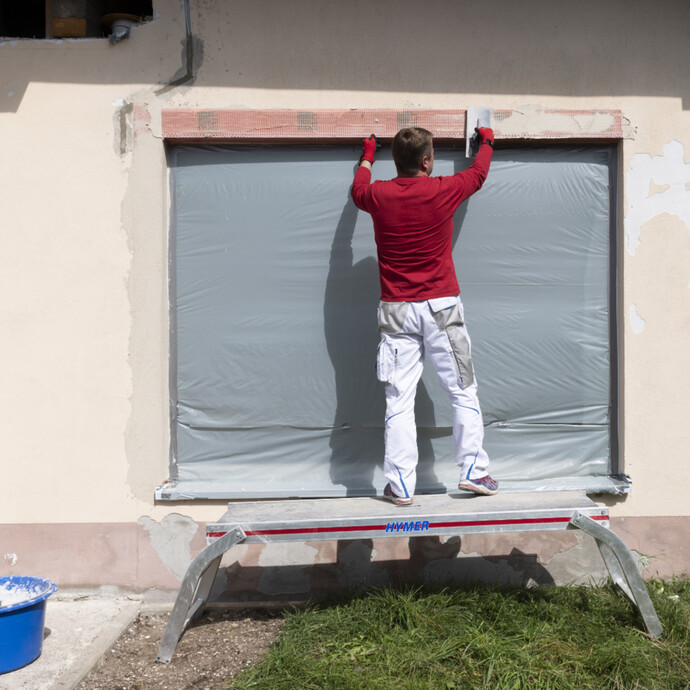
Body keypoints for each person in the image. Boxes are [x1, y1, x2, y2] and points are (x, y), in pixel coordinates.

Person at [350, 126, 498, 505]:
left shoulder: (378, 195)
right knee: (462, 390)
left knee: (399, 400)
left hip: (397, 310)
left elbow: (358, 189)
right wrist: (487, 140)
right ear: (427, 161)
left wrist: (368, 153)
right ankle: (473, 472)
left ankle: (399, 486)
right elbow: (479, 174)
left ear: (397, 162)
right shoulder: (443, 189)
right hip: (442, 309)